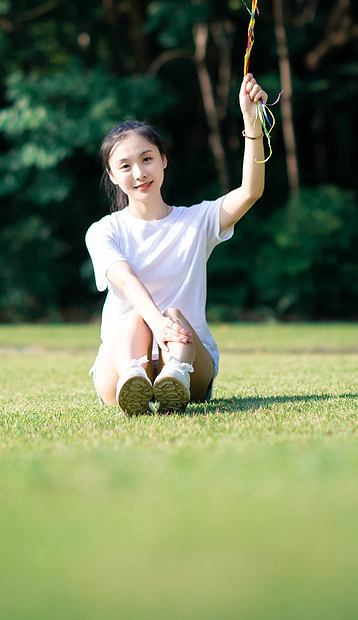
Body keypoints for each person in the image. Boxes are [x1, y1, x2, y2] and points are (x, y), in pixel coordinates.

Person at [85, 72, 269, 415]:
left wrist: (251, 122)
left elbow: (250, 191)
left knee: (174, 314)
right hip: (119, 364)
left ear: (163, 159)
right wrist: (156, 323)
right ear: (111, 176)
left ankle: (175, 377)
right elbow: (124, 279)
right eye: (125, 166)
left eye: (147, 159)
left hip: (190, 361)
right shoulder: (103, 231)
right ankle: (134, 379)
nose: (139, 173)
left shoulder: (197, 221)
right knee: (137, 319)